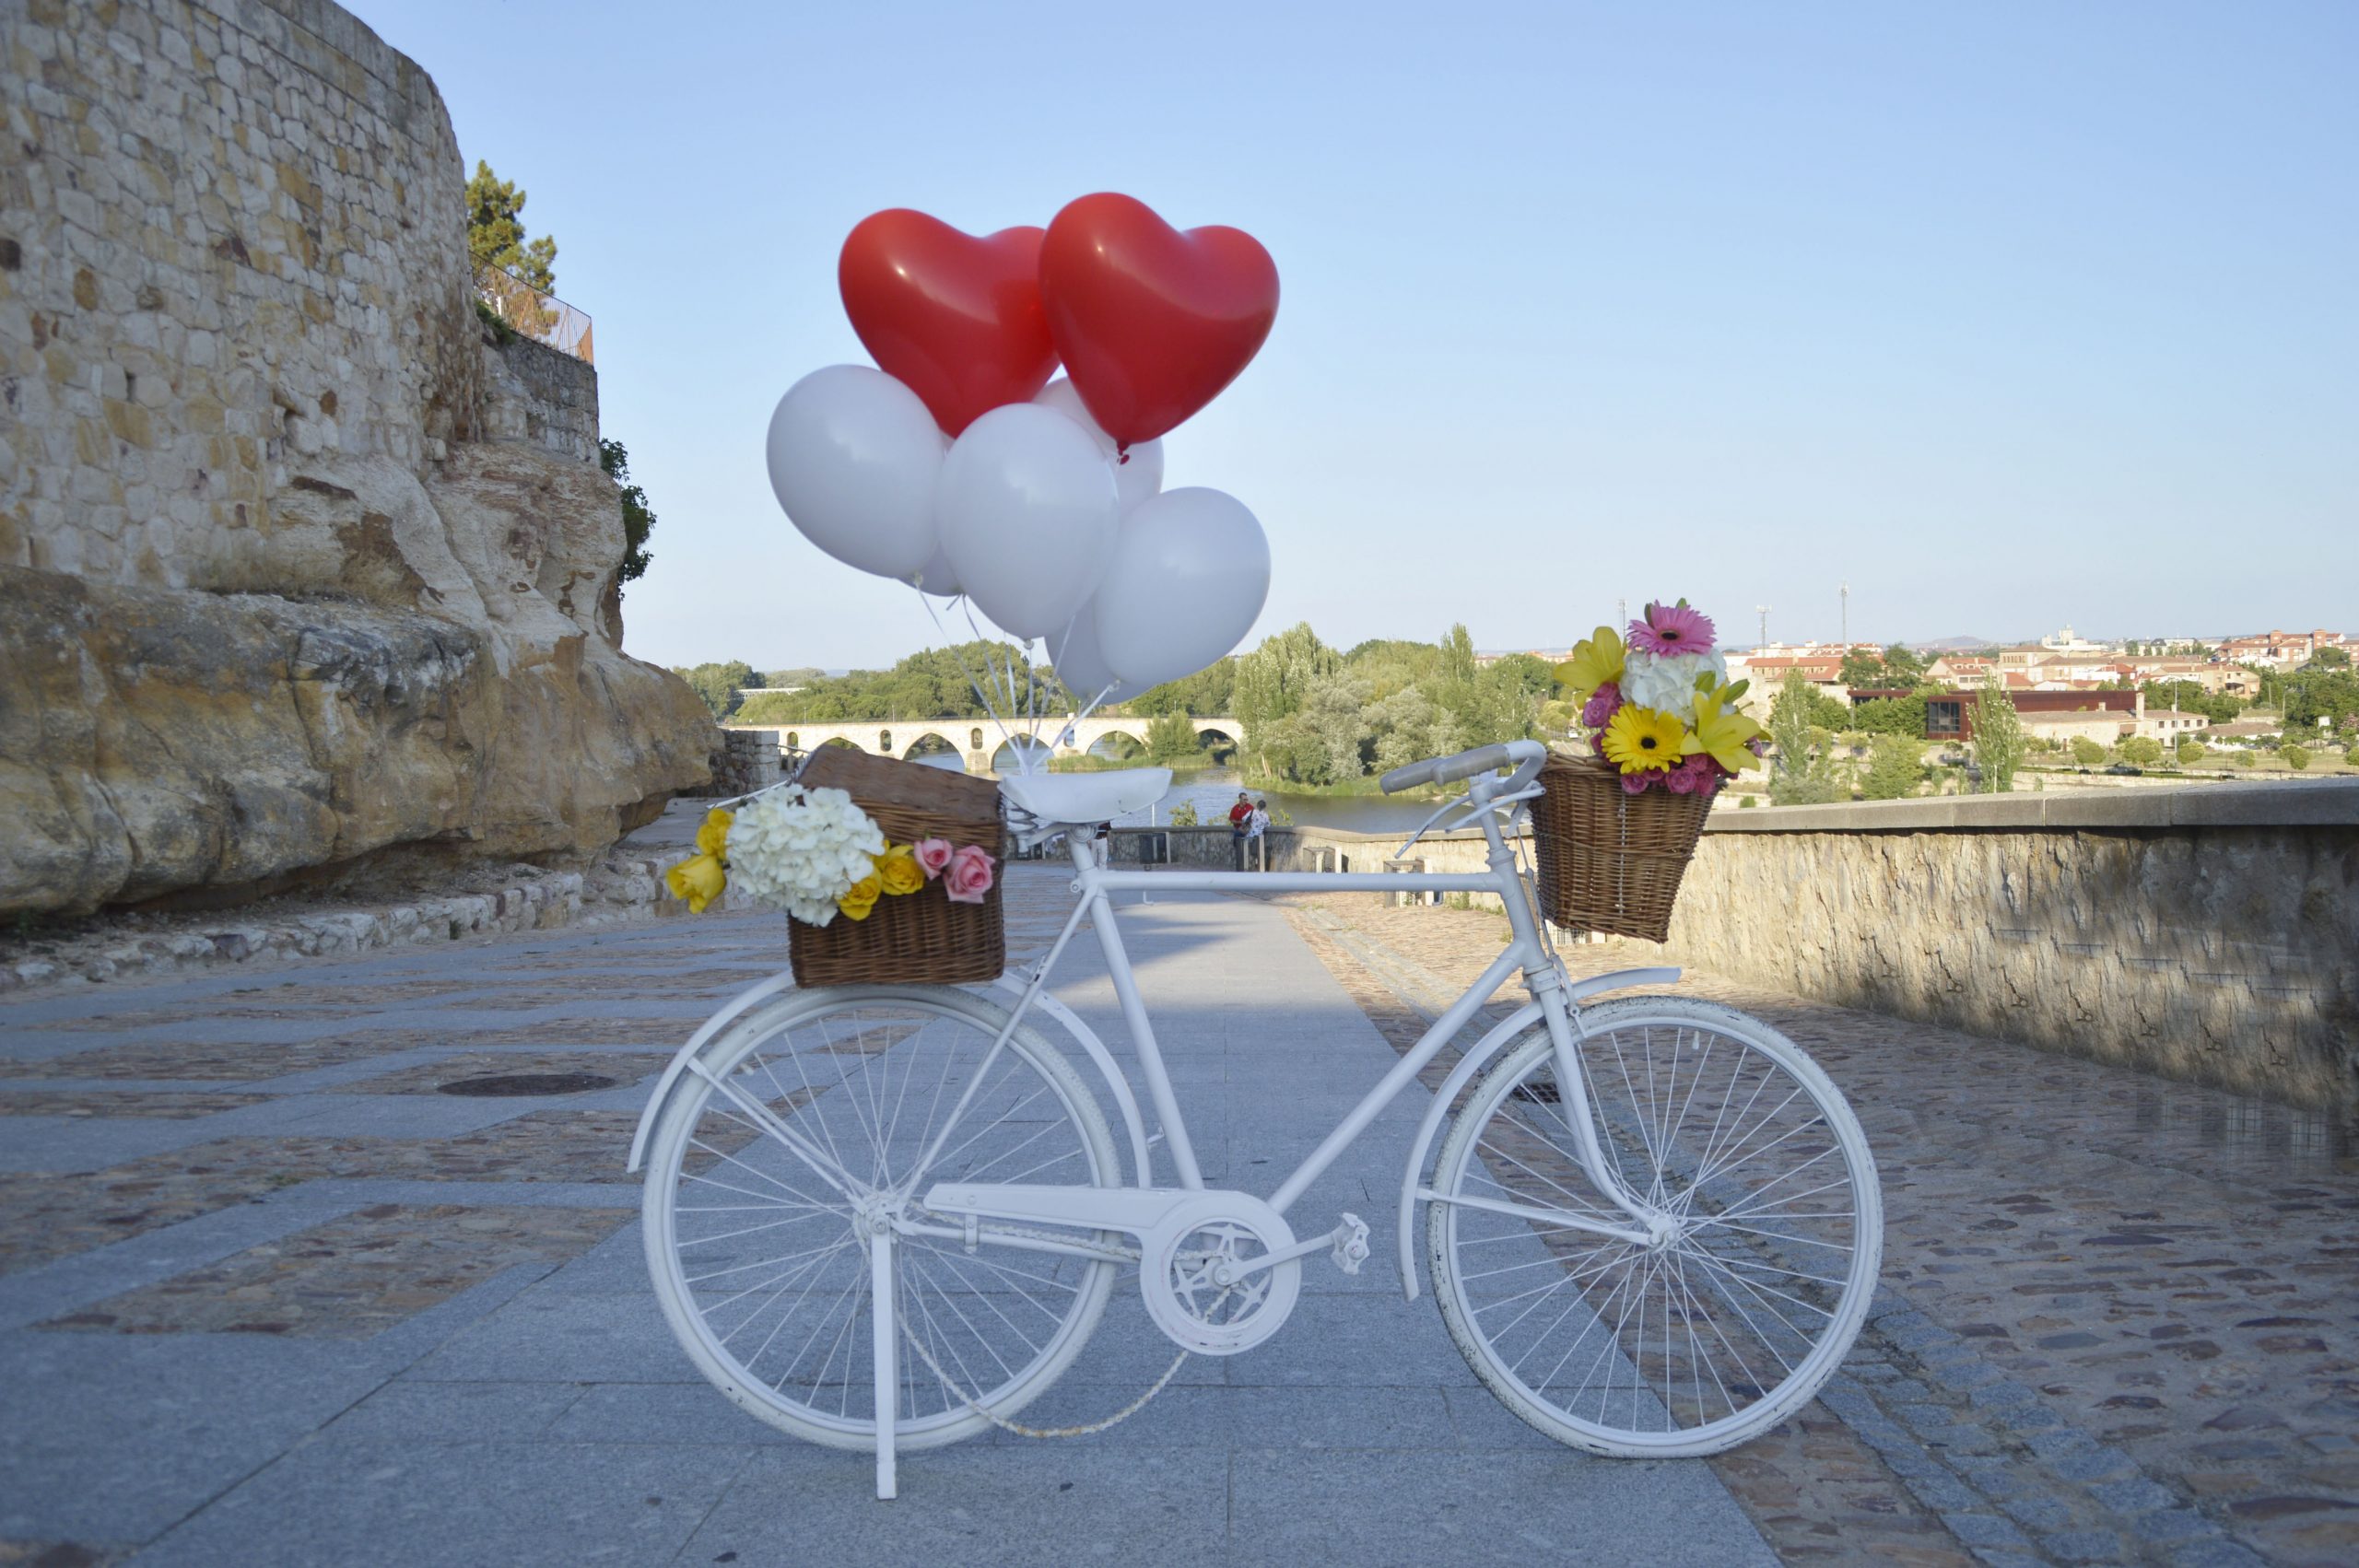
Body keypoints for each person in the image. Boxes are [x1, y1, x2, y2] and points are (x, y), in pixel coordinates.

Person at [1228, 790, 1252, 871]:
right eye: (1244, 799)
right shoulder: (1235, 808)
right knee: (1237, 832)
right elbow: (1232, 820)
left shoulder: (1250, 807)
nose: (1246, 801)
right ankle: (1237, 846)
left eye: (1246, 799)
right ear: (1240, 800)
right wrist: (1239, 822)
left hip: (1248, 828)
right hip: (1238, 828)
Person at [1246, 798, 1269, 871]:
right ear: (1264, 807)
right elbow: (1268, 824)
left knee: (1249, 851)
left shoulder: (1253, 812)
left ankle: (1250, 866)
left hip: (1251, 835)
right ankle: (1258, 866)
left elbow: (1244, 819)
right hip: (1260, 836)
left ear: (1257, 805)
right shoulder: (1266, 815)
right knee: (1258, 852)